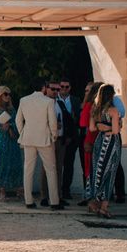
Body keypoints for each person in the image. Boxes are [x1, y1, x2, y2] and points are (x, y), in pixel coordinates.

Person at [16, 78, 62, 210]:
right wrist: (54, 135)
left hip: (29, 138)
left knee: (28, 170)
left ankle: (28, 201)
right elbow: (53, 122)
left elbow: (18, 120)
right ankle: (54, 202)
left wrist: (22, 133)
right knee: (51, 170)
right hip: (45, 139)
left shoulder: (24, 100)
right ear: (44, 87)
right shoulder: (48, 101)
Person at [86, 84, 122, 219]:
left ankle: (94, 201)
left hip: (99, 141)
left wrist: (100, 125)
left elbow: (92, 128)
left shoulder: (95, 110)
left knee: (97, 171)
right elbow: (116, 131)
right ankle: (104, 207)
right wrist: (113, 125)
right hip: (111, 143)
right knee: (110, 172)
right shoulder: (113, 110)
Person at [40, 81, 66, 207]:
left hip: (60, 140)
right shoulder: (43, 103)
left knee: (59, 169)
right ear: (46, 89)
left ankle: (58, 196)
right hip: (48, 139)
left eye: (58, 89)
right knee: (46, 169)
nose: (56, 91)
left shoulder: (60, 103)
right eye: (53, 89)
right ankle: (44, 196)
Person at [57, 77, 81, 200]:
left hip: (72, 138)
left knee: (69, 165)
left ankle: (66, 190)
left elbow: (78, 119)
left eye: (67, 87)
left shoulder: (75, 101)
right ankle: (56, 191)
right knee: (56, 165)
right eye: (62, 87)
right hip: (58, 137)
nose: (64, 89)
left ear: (70, 88)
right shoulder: (54, 100)